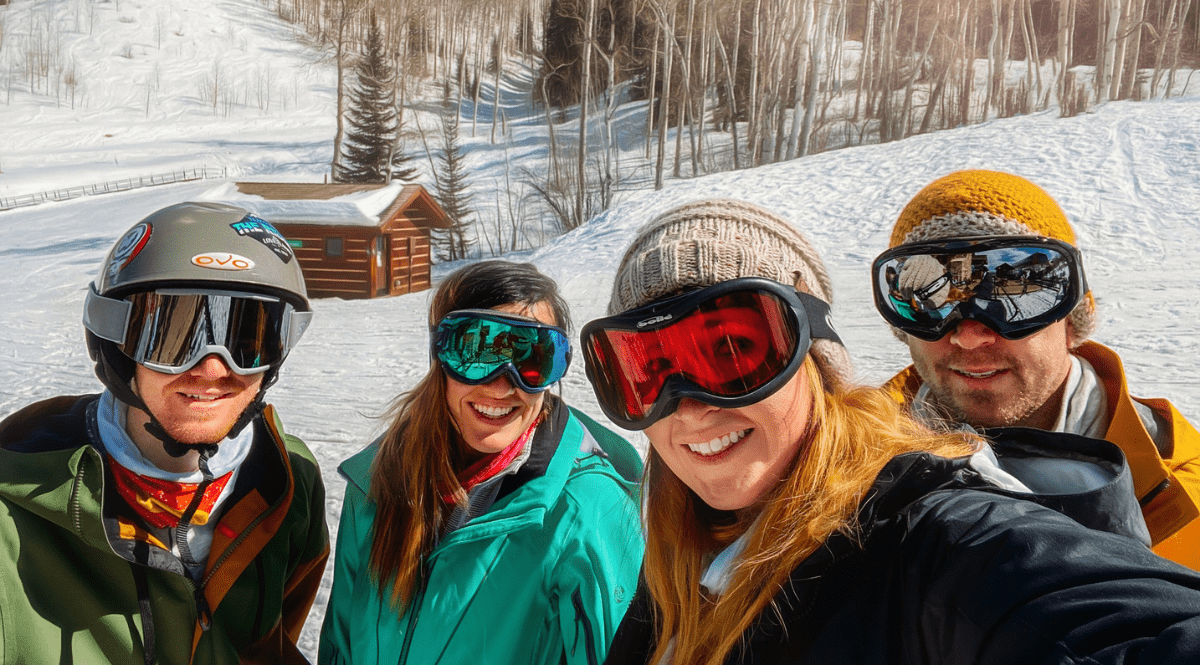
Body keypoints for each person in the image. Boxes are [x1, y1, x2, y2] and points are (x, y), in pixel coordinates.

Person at [581, 199, 1200, 665]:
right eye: (646, 371)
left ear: (816, 362)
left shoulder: (932, 539)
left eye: (736, 353)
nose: (690, 407)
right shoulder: (679, 547)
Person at [0, 201, 329, 664]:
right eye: (173, 335)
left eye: (248, 339)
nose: (213, 368)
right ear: (116, 347)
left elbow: (272, 646)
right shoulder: (13, 518)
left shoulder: (286, 481)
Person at [319, 259, 643, 665]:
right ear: (440, 356)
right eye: (476, 351)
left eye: (531, 358)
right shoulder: (378, 484)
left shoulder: (589, 511)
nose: (502, 385)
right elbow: (340, 648)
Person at [873, 169, 1200, 567]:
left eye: (1014, 297)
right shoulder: (840, 474)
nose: (970, 336)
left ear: (1071, 322)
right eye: (932, 306)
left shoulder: (1184, 488)